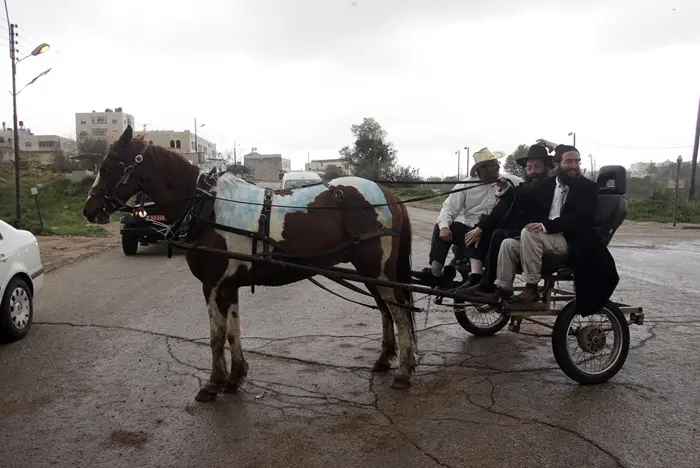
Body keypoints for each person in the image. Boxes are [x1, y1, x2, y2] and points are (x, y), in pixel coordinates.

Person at [478, 139, 619, 313]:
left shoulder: (587, 188)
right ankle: (502, 290)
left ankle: (531, 289)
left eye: (576, 161)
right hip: (545, 241)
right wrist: (505, 189)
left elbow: (578, 219)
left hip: (568, 241)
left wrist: (545, 226)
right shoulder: (547, 185)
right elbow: (522, 198)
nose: (573, 166)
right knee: (507, 243)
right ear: (557, 164)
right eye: (568, 161)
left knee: (529, 232)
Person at [412, 147, 523, 287]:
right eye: (492, 165)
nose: (497, 168)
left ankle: (477, 278)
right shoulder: (466, 184)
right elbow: (448, 208)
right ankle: (435, 272)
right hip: (469, 232)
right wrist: (444, 227)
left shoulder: (510, 181)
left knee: (481, 234)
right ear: (480, 169)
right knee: (446, 225)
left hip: (495, 234)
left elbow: (528, 191)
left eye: (497, 164)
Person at [459, 143, 554, 296]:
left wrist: (554, 146)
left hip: (535, 230)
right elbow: (505, 204)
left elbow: (522, 199)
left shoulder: (551, 185)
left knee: (498, 235)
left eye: (537, 167)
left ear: (547, 167)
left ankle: (487, 285)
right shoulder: (525, 185)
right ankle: (477, 277)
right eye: (529, 168)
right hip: (520, 227)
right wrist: (480, 228)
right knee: (481, 231)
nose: (532, 171)